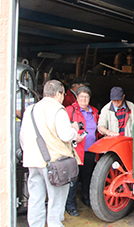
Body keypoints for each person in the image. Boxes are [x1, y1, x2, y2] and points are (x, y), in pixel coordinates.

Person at [19, 80, 82, 227]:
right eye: (63, 94)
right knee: (56, 201)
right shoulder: (58, 110)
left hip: (33, 162)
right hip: (55, 164)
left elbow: (23, 136)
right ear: (59, 94)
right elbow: (66, 135)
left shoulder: (30, 109)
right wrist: (74, 130)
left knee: (35, 199)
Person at [65, 86, 99, 216]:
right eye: (81, 97)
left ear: (89, 98)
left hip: (90, 150)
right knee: (73, 179)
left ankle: (86, 199)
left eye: (86, 97)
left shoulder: (94, 112)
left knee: (88, 177)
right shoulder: (69, 110)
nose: (84, 99)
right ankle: (71, 205)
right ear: (77, 98)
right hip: (75, 151)